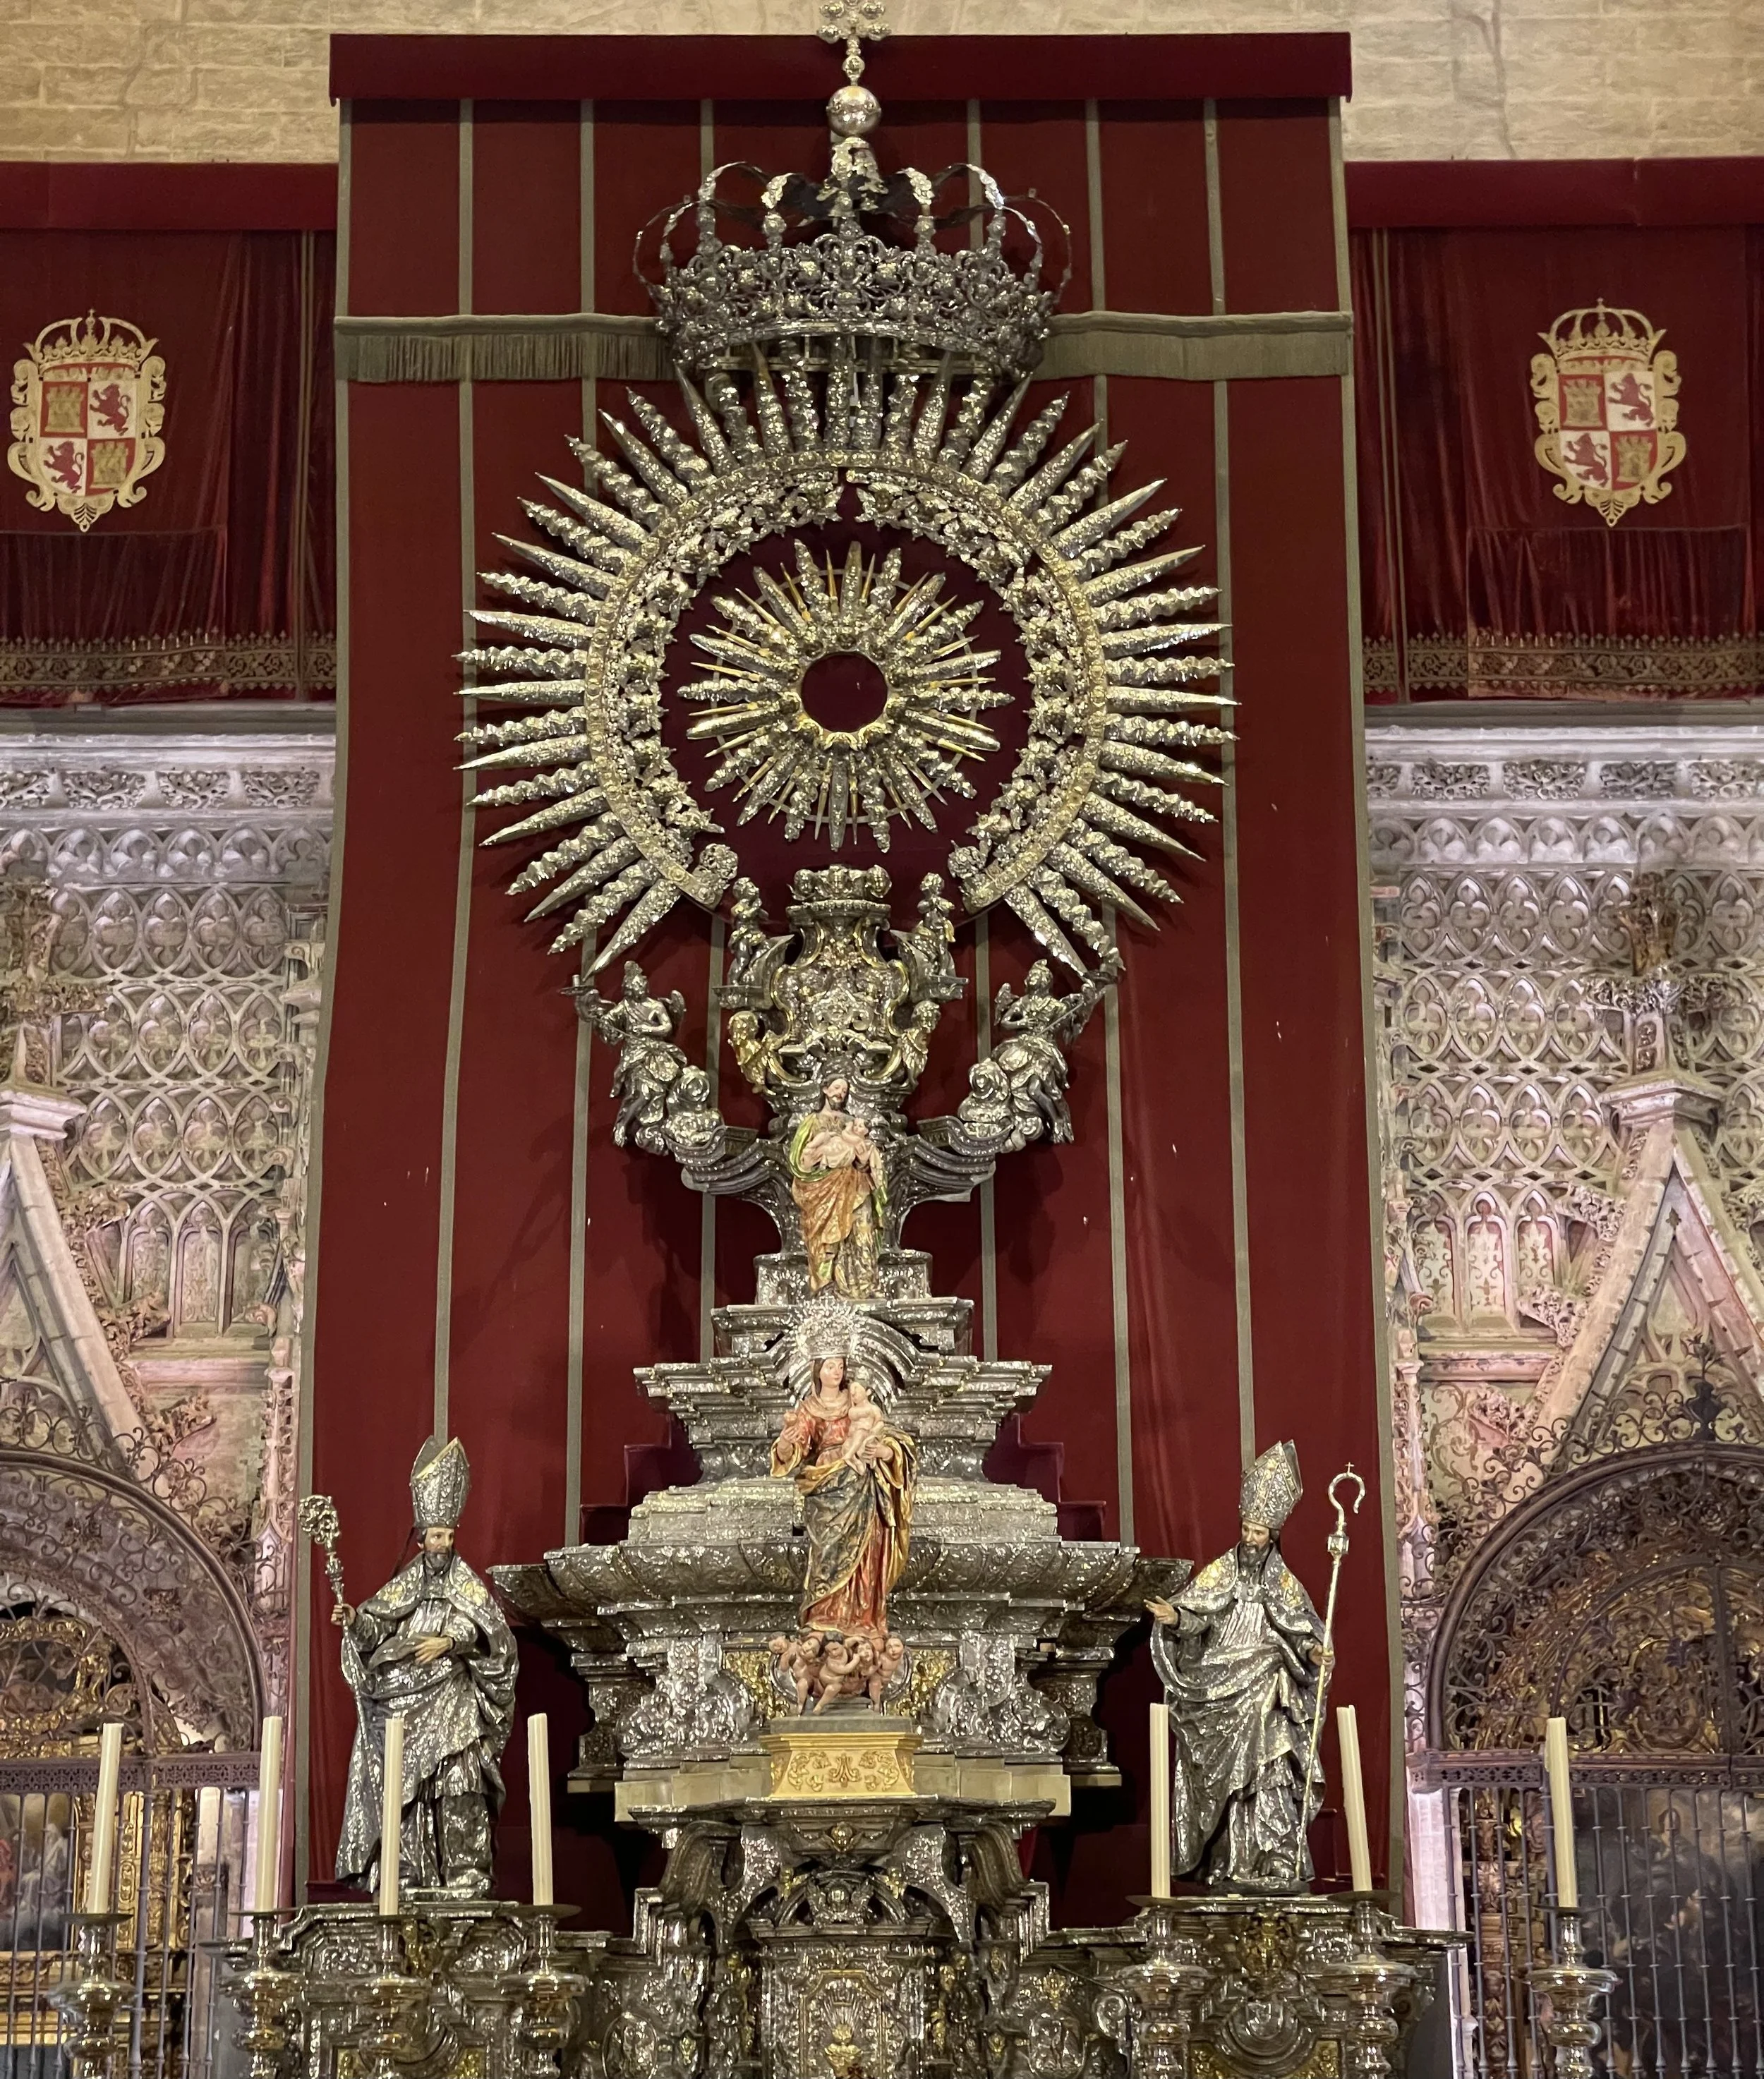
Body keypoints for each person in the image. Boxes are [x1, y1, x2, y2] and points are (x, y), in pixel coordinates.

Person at [333, 1438, 518, 1900]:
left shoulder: (465, 1582)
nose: (443, 1545)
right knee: (408, 1791)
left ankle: (465, 1869)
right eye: (436, 1537)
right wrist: (355, 1619)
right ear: (421, 1538)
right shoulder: (407, 1582)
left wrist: (452, 1641)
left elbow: (492, 1634)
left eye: (450, 1537)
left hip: (453, 1697)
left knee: (459, 1779)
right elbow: (376, 1625)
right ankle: (408, 1873)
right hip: (403, 1701)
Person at [1146, 1441, 1332, 1893]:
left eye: (1259, 1533)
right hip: (1218, 1686)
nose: (1250, 1539)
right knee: (1226, 1779)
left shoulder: (1284, 1584)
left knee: (1270, 1764)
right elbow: (1197, 1612)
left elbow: (1304, 1633)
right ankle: (1229, 1860)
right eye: (1246, 1529)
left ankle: (1273, 1858)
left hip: (1267, 1680)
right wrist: (1177, 1618)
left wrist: (1314, 1654)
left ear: (1273, 1537)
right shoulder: (1220, 1572)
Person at [770, 1349, 914, 1647]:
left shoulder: (858, 1401)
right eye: (830, 1366)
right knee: (828, 1551)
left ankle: (863, 1619)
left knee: (866, 1551)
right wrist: (785, 1439)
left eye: (841, 1366)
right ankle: (824, 1616)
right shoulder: (809, 1409)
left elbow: (888, 1436)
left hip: (861, 1485)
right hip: (826, 1488)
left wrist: (884, 1452)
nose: (837, 1372)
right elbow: (795, 1451)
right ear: (818, 1370)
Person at [787, 1077, 886, 1298]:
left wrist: (861, 1161)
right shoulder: (812, 1122)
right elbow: (799, 1160)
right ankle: (825, 1286)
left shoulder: (853, 1122)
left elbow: (864, 1157)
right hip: (822, 1191)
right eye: (836, 1088)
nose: (840, 1093)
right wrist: (814, 1162)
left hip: (855, 1187)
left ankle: (862, 1286)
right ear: (824, 1089)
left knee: (862, 1233)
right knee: (826, 1241)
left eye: (844, 1090)